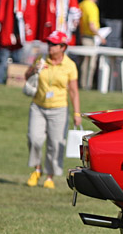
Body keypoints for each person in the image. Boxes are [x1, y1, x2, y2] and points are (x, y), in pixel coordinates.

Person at [24, 30, 82, 189]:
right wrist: (33, 70)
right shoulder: (41, 59)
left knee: (55, 143)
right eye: (49, 43)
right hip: (38, 106)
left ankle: (50, 176)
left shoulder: (70, 65)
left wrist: (77, 113)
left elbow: (73, 91)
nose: (50, 47)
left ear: (63, 47)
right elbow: (26, 76)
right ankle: (37, 169)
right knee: (34, 139)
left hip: (59, 108)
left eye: (54, 44)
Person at [77, 0, 100, 89]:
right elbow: (92, 25)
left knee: (83, 63)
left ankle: (82, 83)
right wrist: (100, 36)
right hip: (90, 37)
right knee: (90, 64)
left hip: (82, 36)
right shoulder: (92, 6)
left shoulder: (81, 4)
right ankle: (87, 85)